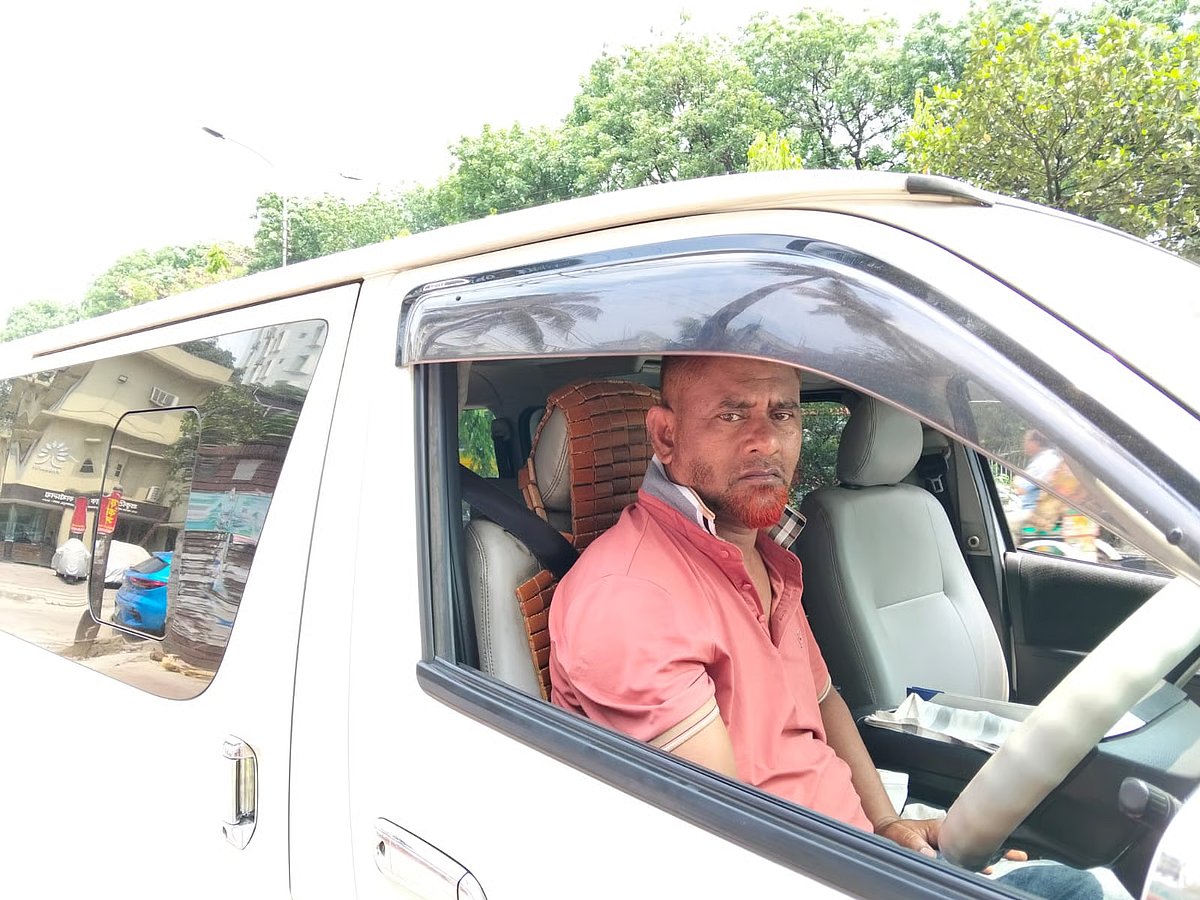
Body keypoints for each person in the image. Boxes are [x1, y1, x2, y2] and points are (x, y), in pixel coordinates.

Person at [549, 355, 1120, 900]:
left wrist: (886, 826)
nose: (767, 441)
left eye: (784, 413)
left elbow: (824, 702)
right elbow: (729, 841)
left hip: (853, 852)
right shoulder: (630, 597)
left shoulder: (759, 556)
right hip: (810, 875)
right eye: (731, 414)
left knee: (1080, 886)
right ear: (665, 436)